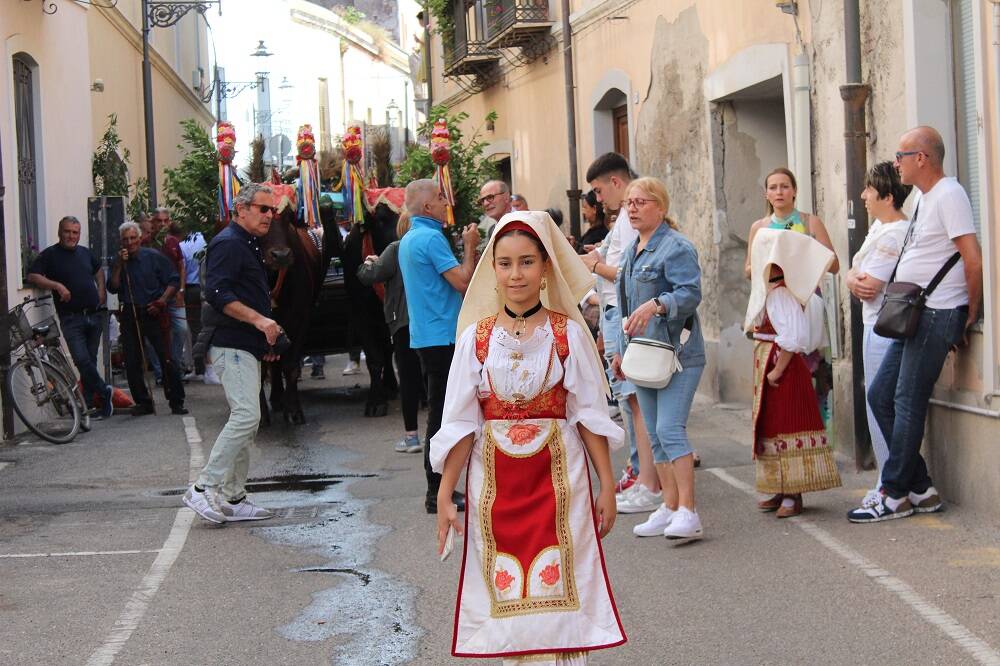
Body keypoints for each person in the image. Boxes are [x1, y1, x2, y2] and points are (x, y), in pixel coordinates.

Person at [432, 211, 626, 662]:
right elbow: (460, 423)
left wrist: (607, 485)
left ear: (545, 269)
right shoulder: (474, 341)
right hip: (495, 487)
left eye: (526, 262)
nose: (515, 273)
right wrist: (445, 495)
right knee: (505, 594)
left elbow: (588, 417)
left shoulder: (568, 336)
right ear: (492, 270)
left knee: (559, 584)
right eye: (504, 263)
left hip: (560, 483)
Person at [848, 126, 983, 523]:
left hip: (940, 312)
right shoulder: (926, 199)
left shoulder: (949, 194)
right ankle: (921, 488)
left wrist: (969, 311)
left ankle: (892, 493)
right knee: (880, 395)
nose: (896, 164)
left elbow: (972, 259)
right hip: (917, 315)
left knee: (905, 399)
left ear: (921, 158)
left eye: (901, 156)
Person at [610, 177, 707, 541]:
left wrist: (658, 304)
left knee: (669, 429)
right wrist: (621, 351)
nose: (632, 208)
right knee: (654, 434)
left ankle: (688, 511)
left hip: (678, 355)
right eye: (629, 203)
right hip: (642, 356)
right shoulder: (631, 250)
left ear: (661, 208)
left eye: (641, 202)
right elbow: (625, 308)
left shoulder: (676, 247)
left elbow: (690, 293)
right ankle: (668, 506)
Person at [183, 184, 283, 524]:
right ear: (241, 209)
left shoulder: (246, 243)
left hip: (244, 344)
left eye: (272, 210)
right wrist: (259, 321)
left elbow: (248, 294)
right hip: (231, 342)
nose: (269, 215)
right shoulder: (228, 243)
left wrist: (263, 338)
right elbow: (217, 293)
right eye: (263, 208)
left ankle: (234, 497)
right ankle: (202, 488)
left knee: (247, 418)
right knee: (246, 416)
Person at [580, 152, 661, 514]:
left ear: (616, 182)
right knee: (631, 401)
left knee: (637, 402)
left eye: (599, 190)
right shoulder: (623, 221)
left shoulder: (631, 218)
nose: (598, 199)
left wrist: (595, 264)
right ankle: (642, 474)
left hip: (625, 312)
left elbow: (630, 272)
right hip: (617, 312)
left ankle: (649, 482)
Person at [745, 228, 842, 518]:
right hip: (770, 361)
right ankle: (781, 486)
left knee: (787, 424)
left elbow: (794, 336)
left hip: (782, 367)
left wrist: (776, 372)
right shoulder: (771, 292)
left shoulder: (781, 295)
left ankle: (793, 493)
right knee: (772, 426)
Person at [398, 179, 479, 514]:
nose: (447, 201)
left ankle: (439, 488)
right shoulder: (431, 237)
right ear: (428, 207)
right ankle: (436, 491)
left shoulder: (410, 237)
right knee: (442, 415)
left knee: (441, 411)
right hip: (442, 336)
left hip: (427, 334)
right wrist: (470, 246)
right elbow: (462, 281)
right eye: (441, 197)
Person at [845, 162, 912, 506]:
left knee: (881, 404)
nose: (863, 196)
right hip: (873, 323)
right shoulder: (878, 229)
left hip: (884, 327)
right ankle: (889, 480)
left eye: (869, 190)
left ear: (886, 194)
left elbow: (868, 286)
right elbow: (855, 275)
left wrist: (852, 277)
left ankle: (891, 483)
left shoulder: (894, 233)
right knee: (878, 404)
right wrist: (852, 276)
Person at [26, 216, 114, 419]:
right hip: (71, 318)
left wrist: (101, 289)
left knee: (89, 361)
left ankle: (89, 406)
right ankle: (104, 391)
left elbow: (98, 270)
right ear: (60, 232)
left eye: (75, 232)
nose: (71, 236)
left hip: (94, 315)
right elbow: (32, 276)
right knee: (82, 359)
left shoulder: (85, 253)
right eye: (67, 231)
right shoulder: (50, 255)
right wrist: (57, 286)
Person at [357, 211, 424, 454]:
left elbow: (370, 276)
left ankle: (412, 437)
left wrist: (368, 262)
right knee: (434, 377)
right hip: (431, 321)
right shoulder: (432, 244)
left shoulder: (396, 248)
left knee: (408, 377)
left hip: (404, 322)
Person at [108, 221, 187, 416]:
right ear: (121, 242)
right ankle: (143, 402)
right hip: (130, 313)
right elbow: (113, 287)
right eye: (126, 239)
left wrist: (162, 301)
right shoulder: (118, 261)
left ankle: (176, 400)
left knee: (166, 357)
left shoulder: (153, 256)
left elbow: (173, 280)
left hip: (154, 311)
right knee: (132, 360)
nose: (130, 242)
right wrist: (119, 265)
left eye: (133, 238)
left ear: (140, 238)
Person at [745, 167, 839, 277]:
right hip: (771, 292)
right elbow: (748, 271)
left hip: (806, 293)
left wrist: (808, 251)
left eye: (785, 187)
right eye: (773, 188)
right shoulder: (758, 227)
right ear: (766, 194)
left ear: (794, 191)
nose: (779, 192)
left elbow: (835, 267)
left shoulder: (811, 222)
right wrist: (768, 268)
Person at [161, 218, 191, 374]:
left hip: (174, 295)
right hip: (156, 295)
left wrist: (181, 290)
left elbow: (181, 266)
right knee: (157, 335)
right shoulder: (148, 242)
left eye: (165, 220)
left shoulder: (173, 242)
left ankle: (175, 364)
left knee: (181, 329)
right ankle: (162, 371)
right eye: (158, 221)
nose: (162, 224)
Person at [179, 225, 208, 378]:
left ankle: (200, 368)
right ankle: (206, 366)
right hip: (204, 287)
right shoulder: (204, 241)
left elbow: (181, 268)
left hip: (190, 289)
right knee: (204, 327)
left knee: (195, 330)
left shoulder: (181, 246)